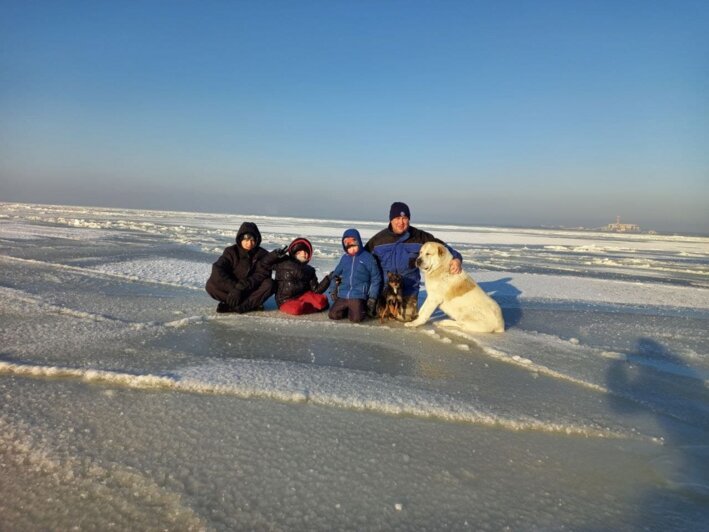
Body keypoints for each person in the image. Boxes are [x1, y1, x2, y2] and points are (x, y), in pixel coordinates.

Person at [365, 201, 462, 321]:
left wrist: (457, 258)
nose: (401, 222)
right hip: (386, 289)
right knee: (375, 314)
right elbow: (362, 258)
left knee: (406, 317)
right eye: (397, 218)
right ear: (391, 220)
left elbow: (443, 248)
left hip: (408, 288)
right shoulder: (379, 240)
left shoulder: (421, 237)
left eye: (404, 218)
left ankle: (402, 308)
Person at [205, 222, 274, 313]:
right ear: (240, 239)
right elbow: (217, 268)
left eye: (253, 240)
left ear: (257, 241)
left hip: (251, 290)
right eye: (246, 239)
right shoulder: (230, 252)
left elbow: (262, 274)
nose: (249, 243)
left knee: (270, 284)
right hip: (232, 288)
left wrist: (241, 288)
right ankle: (248, 304)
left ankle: (240, 306)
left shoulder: (263, 254)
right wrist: (234, 289)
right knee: (210, 285)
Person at [325, 228, 382, 323]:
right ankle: (349, 309)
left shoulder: (367, 257)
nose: (351, 247)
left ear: (358, 241)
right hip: (343, 293)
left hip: (358, 294)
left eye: (353, 243)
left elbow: (376, 278)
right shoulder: (345, 258)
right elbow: (335, 274)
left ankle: (359, 309)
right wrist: (333, 290)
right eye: (347, 244)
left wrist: (372, 297)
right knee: (333, 315)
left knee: (356, 319)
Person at [266, 237, 330, 315]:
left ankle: (307, 306)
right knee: (296, 309)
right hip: (285, 299)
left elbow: (316, 290)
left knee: (321, 301)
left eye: (306, 253)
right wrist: (275, 255)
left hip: (303, 296)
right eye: (299, 252)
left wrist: (328, 278)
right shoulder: (283, 262)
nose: (303, 254)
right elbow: (267, 264)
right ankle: (307, 307)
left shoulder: (309, 270)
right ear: (293, 253)